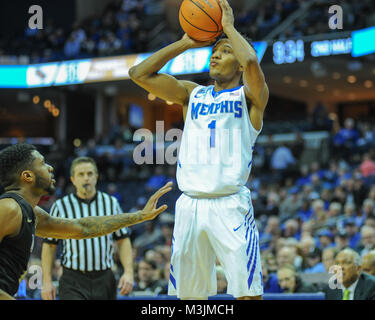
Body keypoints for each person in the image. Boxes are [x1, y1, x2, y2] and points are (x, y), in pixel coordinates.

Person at [129, 0, 268, 300]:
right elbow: (139, 74)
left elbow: (253, 64)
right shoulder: (193, 94)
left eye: (226, 51)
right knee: (188, 298)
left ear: (239, 63)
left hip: (229, 204)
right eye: (214, 51)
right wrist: (183, 43)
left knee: (248, 293)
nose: (216, 55)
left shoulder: (250, 98)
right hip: (190, 205)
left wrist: (228, 28)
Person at [0, 143, 172, 300]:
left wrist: (140, 216)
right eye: (42, 163)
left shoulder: (31, 212)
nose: (50, 168)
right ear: (28, 176)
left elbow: (82, 228)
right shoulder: (9, 209)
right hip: (71, 278)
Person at [41, 157, 134, 300]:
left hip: (104, 277)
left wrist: (128, 272)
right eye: (81, 174)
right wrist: (46, 281)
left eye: (90, 174)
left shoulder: (111, 203)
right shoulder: (61, 206)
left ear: (96, 177)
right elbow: (49, 245)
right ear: (73, 179)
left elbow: (123, 240)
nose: (86, 178)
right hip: (73, 278)